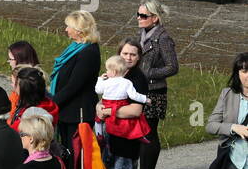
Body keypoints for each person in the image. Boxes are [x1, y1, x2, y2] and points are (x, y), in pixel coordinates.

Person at [96, 41, 149, 169]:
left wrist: (108, 111)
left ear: (139, 57)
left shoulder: (137, 79)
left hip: (127, 139)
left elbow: (135, 110)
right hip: (108, 137)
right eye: (125, 53)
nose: (128, 58)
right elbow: (101, 99)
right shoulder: (113, 74)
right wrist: (99, 108)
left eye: (133, 55)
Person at [134, 0, 179, 169]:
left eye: (143, 16)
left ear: (155, 18)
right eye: (138, 14)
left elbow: (172, 66)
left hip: (155, 92)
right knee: (140, 132)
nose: (139, 18)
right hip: (139, 90)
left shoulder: (163, 38)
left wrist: (148, 73)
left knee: (149, 133)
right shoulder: (142, 34)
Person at [49, 10, 102, 156]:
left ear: (79, 30)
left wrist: (52, 103)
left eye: (69, 26)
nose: (66, 29)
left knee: (74, 155)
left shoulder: (88, 52)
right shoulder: (76, 47)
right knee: (65, 151)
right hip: (67, 110)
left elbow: (74, 86)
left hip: (78, 113)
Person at [95, 55, 150, 141]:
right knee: (130, 121)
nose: (106, 72)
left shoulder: (106, 82)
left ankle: (99, 135)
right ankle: (138, 134)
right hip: (120, 104)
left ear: (113, 72)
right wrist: (145, 99)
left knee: (98, 120)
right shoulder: (127, 82)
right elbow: (134, 95)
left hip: (107, 104)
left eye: (107, 70)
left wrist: (100, 79)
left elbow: (98, 90)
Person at [9, 65, 58, 132]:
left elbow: (12, 133)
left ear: (24, 90)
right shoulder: (49, 105)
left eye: (16, 84)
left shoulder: (28, 120)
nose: (14, 87)